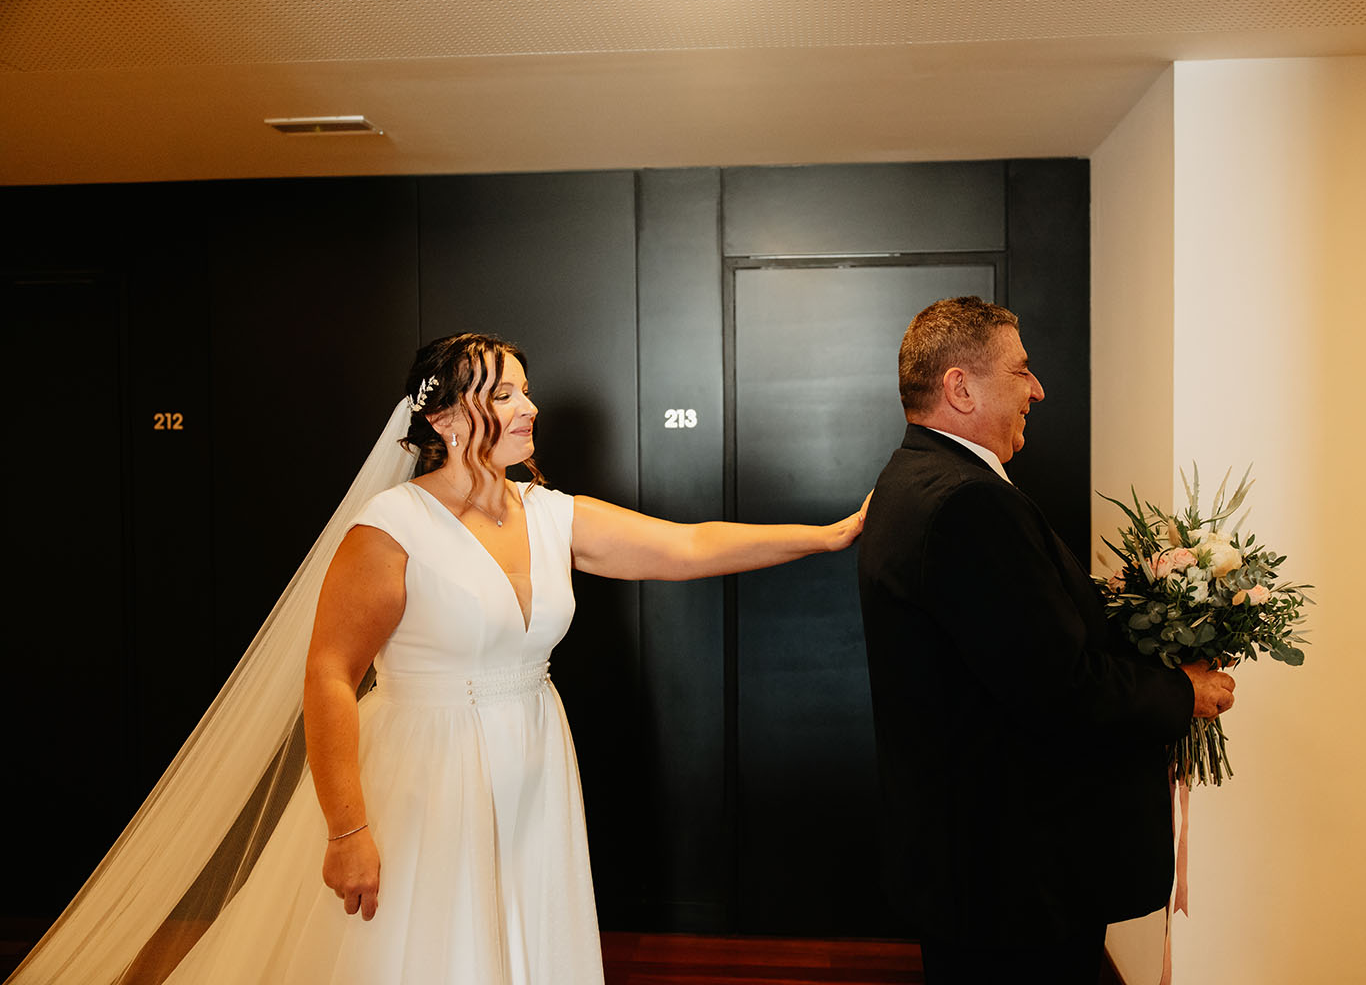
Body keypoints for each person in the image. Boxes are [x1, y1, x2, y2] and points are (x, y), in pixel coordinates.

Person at [8, 332, 865, 985]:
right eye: (505, 394)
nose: (529, 408)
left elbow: (686, 546)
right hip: (423, 771)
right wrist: (347, 830)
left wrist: (826, 536)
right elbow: (329, 675)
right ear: (446, 420)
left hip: (534, 759)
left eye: (527, 391)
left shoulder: (549, 512)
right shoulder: (391, 527)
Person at [855, 297, 1235, 984]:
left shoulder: (908, 479)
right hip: (1011, 880)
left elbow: (1009, 635)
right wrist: (1184, 693)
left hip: (968, 862)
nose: (1036, 389)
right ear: (960, 388)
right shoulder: (969, 502)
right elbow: (1057, 687)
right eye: (1019, 370)